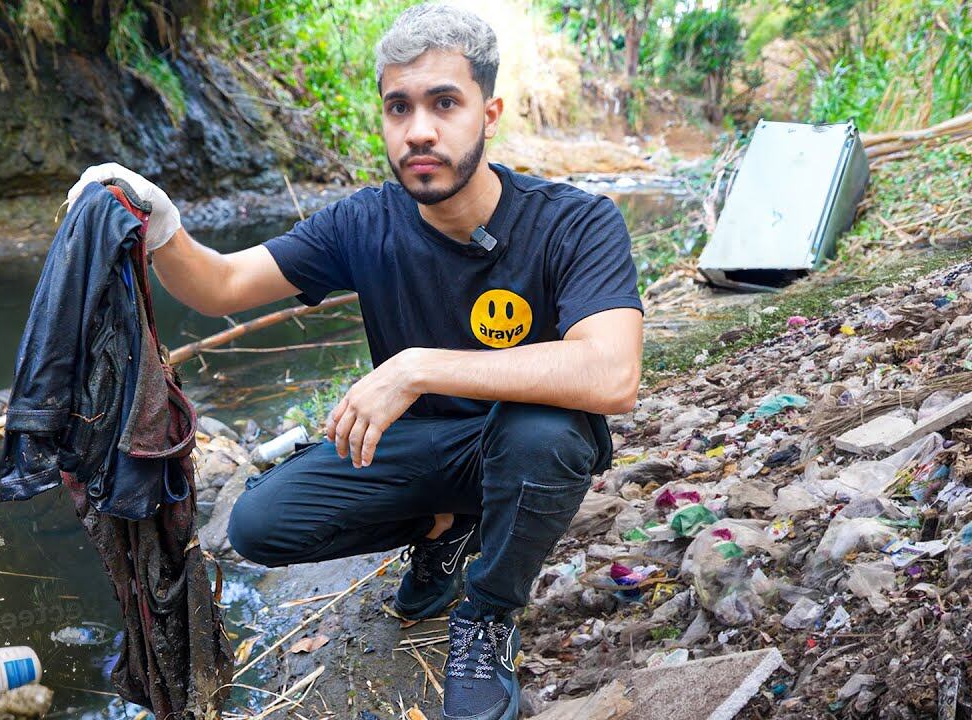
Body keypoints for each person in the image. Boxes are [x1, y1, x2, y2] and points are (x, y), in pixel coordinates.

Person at [65, 4, 643, 718]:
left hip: (520, 444)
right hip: (421, 448)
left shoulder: (575, 221)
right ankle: (446, 530)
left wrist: (415, 367)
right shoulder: (363, 222)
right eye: (399, 107)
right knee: (258, 525)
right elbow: (222, 286)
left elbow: (612, 374)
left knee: (545, 434)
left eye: (444, 103)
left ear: (489, 114)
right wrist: (162, 227)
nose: (419, 130)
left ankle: (487, 614)